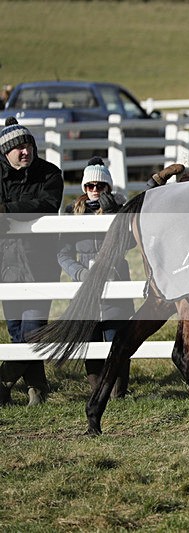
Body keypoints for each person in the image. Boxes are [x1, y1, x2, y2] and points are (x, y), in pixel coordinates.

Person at [57, 157, 134, 398]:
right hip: (85, 284)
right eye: (90, 186)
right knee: (89, 338)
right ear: (84, 187)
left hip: (114, 281)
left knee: (116, 337)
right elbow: (63, 252)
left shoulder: (119, 209)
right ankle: (97, 389)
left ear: (108, 188)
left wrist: (114, 216)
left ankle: (118, 391)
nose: (94, 191)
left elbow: (130, 242)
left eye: (100, 186)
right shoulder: (72, 213)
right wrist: (79, 272)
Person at [0, 117, 64, 406]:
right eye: (18, 148)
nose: (25, 151)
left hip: (40, 262)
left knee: (33, 329)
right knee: (15, 330)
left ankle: (3, 382)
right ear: (6, 152)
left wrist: (5, 210)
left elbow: (46, 205)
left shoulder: (49, 174)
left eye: (29, 146)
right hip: (7, 264)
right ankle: (37, 389)